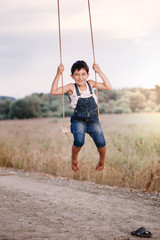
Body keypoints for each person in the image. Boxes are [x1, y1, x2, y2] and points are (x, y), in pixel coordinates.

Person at [50, 60, 112, 172]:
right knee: (79, 140)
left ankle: (102, 161)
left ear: (88, 75)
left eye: (83, 74)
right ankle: (74, 160)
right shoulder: (71, 87)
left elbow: (108, 86)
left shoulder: (91, 84)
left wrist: (99, 71)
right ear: (72, 76)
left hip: (93, 120)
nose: (80, 77)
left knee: (101, 141)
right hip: (78, 120)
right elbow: (54, 91)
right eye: (77, 74)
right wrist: (59, 73)